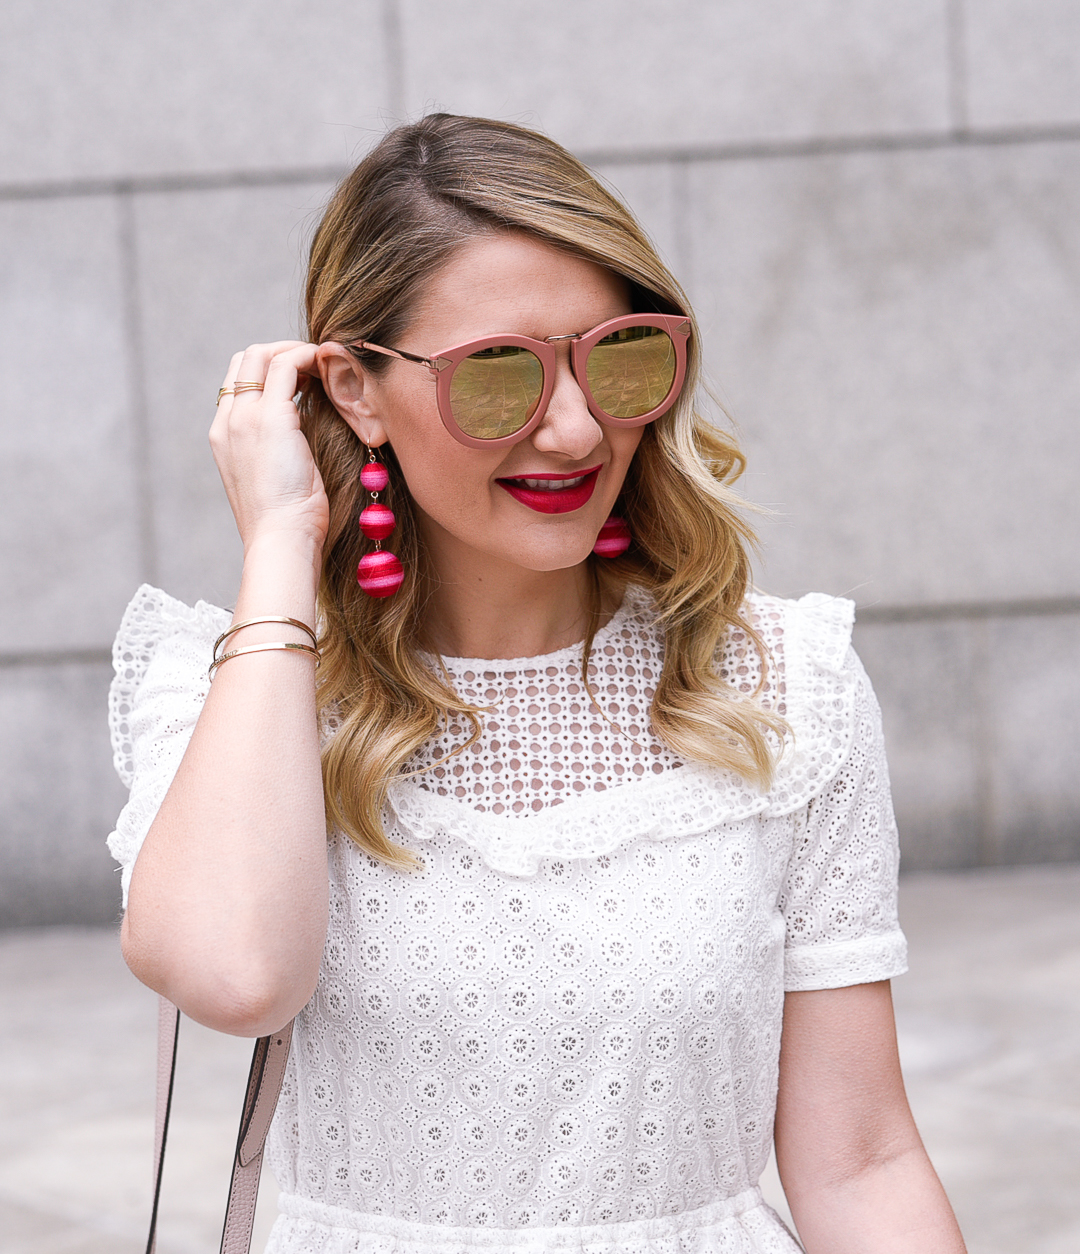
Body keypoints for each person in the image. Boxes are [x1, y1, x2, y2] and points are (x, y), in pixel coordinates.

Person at [107, 114, 966, 1253]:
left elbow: (860, 1160)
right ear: (357, 388)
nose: (573, 428)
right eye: (499, 373)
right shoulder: (246, 691)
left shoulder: (779, 686)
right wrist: (279, 542)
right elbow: (235, 973)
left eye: (616, 357)